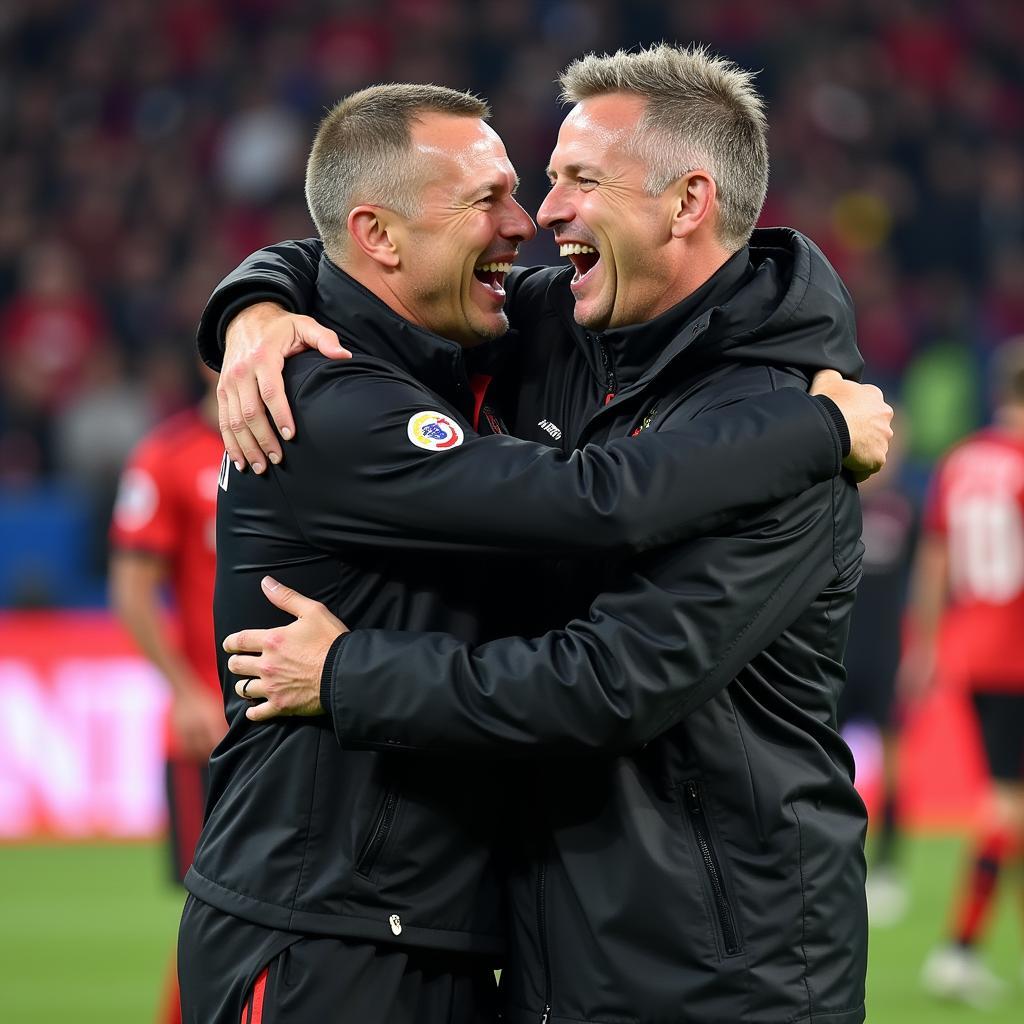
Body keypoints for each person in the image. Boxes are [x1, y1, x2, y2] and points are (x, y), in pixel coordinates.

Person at [204, 45, 891, 1024]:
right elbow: (359, 259)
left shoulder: (768, 434)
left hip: (727, 980)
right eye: (533, 184)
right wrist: (253, 304)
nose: (539, 218)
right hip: (517, 955)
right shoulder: (561, 334)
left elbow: (610, 683)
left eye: (577, 179)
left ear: (687, 202)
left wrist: (353, 674)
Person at [901, 338, 1024, 1008]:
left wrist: (923, 644)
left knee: (1011, 802)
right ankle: (959, 950)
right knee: (1004, 802)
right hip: (1018, 653)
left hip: (971, 647)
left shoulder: (963, 460)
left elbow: (936, 558)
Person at [109, 363, 227, 1024]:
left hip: (292, 717)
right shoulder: (168, 456)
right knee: (213, 908)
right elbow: (131, 590)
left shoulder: (300, 444)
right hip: (208, 728)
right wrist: (185, 692)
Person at [838, 423, 917, 927]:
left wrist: (918, 651)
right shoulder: (835, 501)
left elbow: (920, 582)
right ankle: (837, 854)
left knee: (893, 761)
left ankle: (888, 864)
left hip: (887, 653)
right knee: (829, 758)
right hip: (838, 651)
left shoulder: (908, 511)